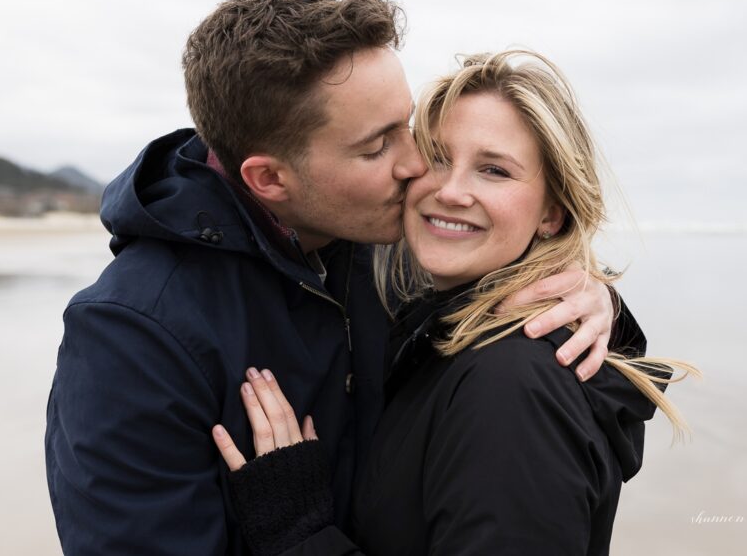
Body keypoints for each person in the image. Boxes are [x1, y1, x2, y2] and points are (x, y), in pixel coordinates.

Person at [44, 0, 622, 555]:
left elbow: (514, 294)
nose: (420, 165)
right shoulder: (132, 337)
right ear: (270, 179)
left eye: (409, 125)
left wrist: (591, 302)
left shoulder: (387, 244)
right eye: (377, 147)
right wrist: (297, 532)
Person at [214, 50, 698, 555]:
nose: (450, 190)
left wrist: (300, 534)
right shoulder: (441, 326)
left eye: (494, 170)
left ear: (552, 214)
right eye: (439, 157)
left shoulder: (510, 386)